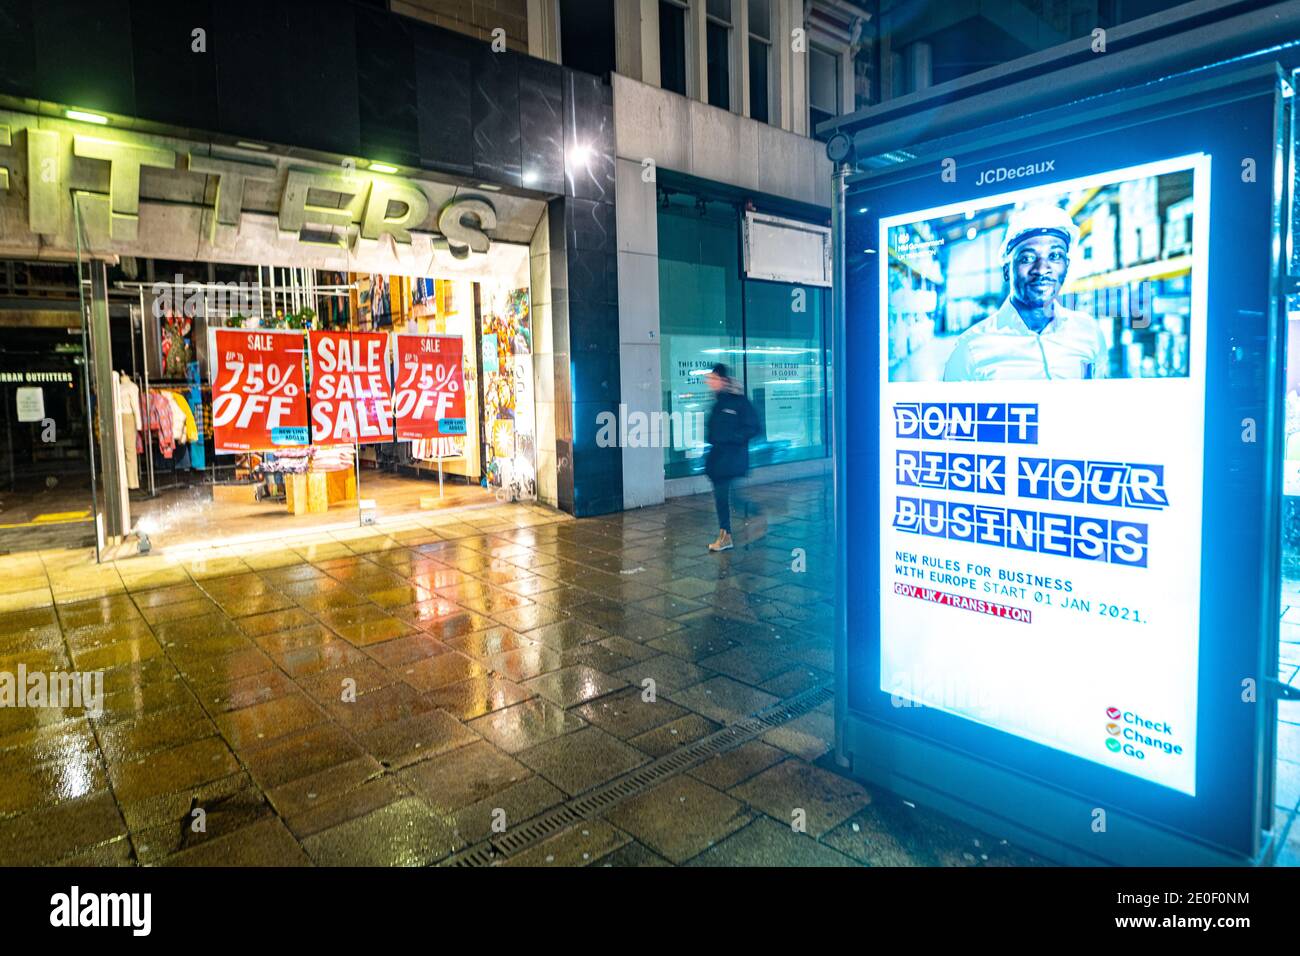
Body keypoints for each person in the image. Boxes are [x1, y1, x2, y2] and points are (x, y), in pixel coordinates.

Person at [943, 203, 1109, 381]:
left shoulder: (1089, 332)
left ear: (1066, 266)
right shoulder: (970, 350)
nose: (1042, 269)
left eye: (1055, 256)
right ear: (1007, 270)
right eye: (1028, 258)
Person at [704, 363, 761, 552]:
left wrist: (734, 438)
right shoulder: (718, 402)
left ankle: (727, 535)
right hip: (719, 458)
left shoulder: (738, 401)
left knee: (724, 498)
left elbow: (753, 427)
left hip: (732, 457)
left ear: (723, 380)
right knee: (729, 498)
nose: (709, 382)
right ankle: (752, 515)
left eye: (713, 378)